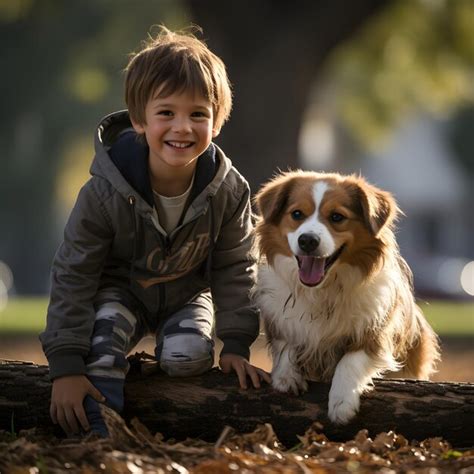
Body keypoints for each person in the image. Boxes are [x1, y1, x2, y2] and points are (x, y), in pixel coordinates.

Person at [40, 25, 270, 437]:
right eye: (166, 113)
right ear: (139, 120)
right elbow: (74, 273)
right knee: (102, 347)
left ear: (216, 123)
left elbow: (237, 265)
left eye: (198, 114)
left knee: (188, 356)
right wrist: (65, 367)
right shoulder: (103, 192)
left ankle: (177, 426)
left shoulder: (229, 190)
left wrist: (235, 345)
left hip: (186, 292)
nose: (182, 127)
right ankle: (98, 434)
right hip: (119, 290)